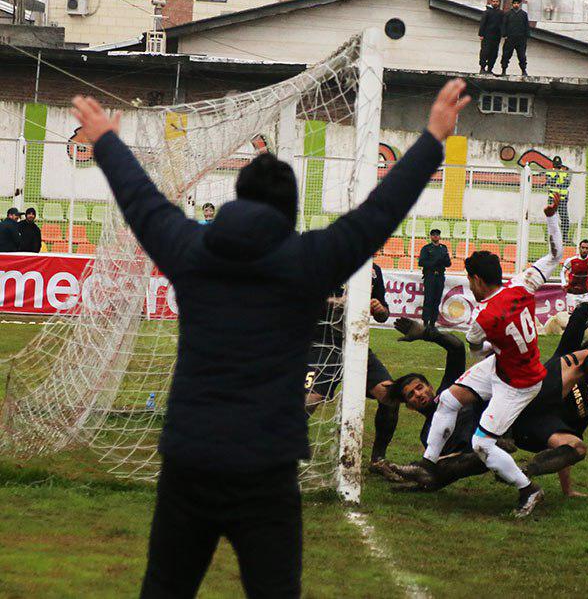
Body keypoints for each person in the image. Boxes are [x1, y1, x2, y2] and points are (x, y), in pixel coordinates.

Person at [70, 80, 469, 597]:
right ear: (290, 212)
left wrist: (105, 141)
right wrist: (433, 138)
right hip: (266, 464)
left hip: (191, 456)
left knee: (165, 587)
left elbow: (142, 201)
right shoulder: (308, 260)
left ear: (238, 198)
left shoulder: (191, 249)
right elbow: (378, 213)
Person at [387, 302, 588, 496]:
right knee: (473, 456)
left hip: (530, 430)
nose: (420, 395)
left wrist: (568, 490)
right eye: (412, 395)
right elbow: (583, 310)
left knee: (577, 447)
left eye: (420, 388)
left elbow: (564, 447)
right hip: (511, 412)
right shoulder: (570, 358)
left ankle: (523, 472)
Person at [403, 194, 563, 518]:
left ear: (476, 279)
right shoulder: (522, 283)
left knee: (481, 445)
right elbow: (556, 254)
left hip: (517, 382)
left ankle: (528, 489)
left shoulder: (481, 318)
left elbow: (477, 351)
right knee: (447, 399)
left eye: (469, 281)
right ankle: (428, 464)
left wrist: (494, 352)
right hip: (509, 363)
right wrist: (551, 217)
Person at [305, 262, 397, 466]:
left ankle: (378, 459)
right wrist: (340, 302)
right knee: (309, 399)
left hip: (357, 343)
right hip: (322, 343)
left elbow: (383, 314)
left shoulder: (373, 271)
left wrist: (380, 309)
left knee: (390, 395)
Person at [418, 228, 450, 329]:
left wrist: (443, 261)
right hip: (430, 276)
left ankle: (433, 322)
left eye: (437, 234)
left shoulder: (443, 248)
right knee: (428, 299)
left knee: (437, 300)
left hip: (440, 276)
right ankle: (425, 322)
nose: (435, 236)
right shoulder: (426, 248)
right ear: (431, 236)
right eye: (433, 234)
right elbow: (421, 262)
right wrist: (434, 262)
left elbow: (448, 263)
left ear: (439, 236)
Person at [562, 238, 588, 312]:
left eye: (587, 248)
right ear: (579, 248)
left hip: (585, 294)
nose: (584, 250)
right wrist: (563, 282)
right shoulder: (571, 260)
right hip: (572, 294)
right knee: (571, 315)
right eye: (583, 248)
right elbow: (562, 272)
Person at [501, 0, 530, 77]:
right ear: (512, 4)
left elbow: (526, 26)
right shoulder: (507, 14)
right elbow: (504, 25)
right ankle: (504, 70)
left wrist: (527, 36)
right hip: (510, 38)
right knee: (506, 55)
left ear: (519, 4)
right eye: (514, 3)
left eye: (517, 3)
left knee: (522, 56)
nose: (516, 5)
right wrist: (504, 35)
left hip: (521, 39)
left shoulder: (524, 14)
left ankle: (523, 70)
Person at [545, 156, 571, 243]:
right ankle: (551, 237)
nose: (557, 167)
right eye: (556, 166)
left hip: (562, 199)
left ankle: (564, 237)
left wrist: (557, 182)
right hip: (552, 198)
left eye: (558, 166)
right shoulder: (549, 172)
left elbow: (567, 184)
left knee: (565, 219)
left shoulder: (565, 172)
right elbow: (550, 182)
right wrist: (556, 175)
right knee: (552, 218)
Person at [478, 0, 503, 74]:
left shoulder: (501, 13)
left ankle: (490, 69)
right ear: (491, 2)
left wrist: (504, 34)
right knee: (485, 52)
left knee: (494, 54)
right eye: (494, 1)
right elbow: (482, 23)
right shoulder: (487, 12)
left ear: (499, 3)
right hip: (487, 36)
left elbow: (503, 24)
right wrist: (481, 34)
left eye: (497, 2)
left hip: (496, 37)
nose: (495, 3)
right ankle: (482, 68)